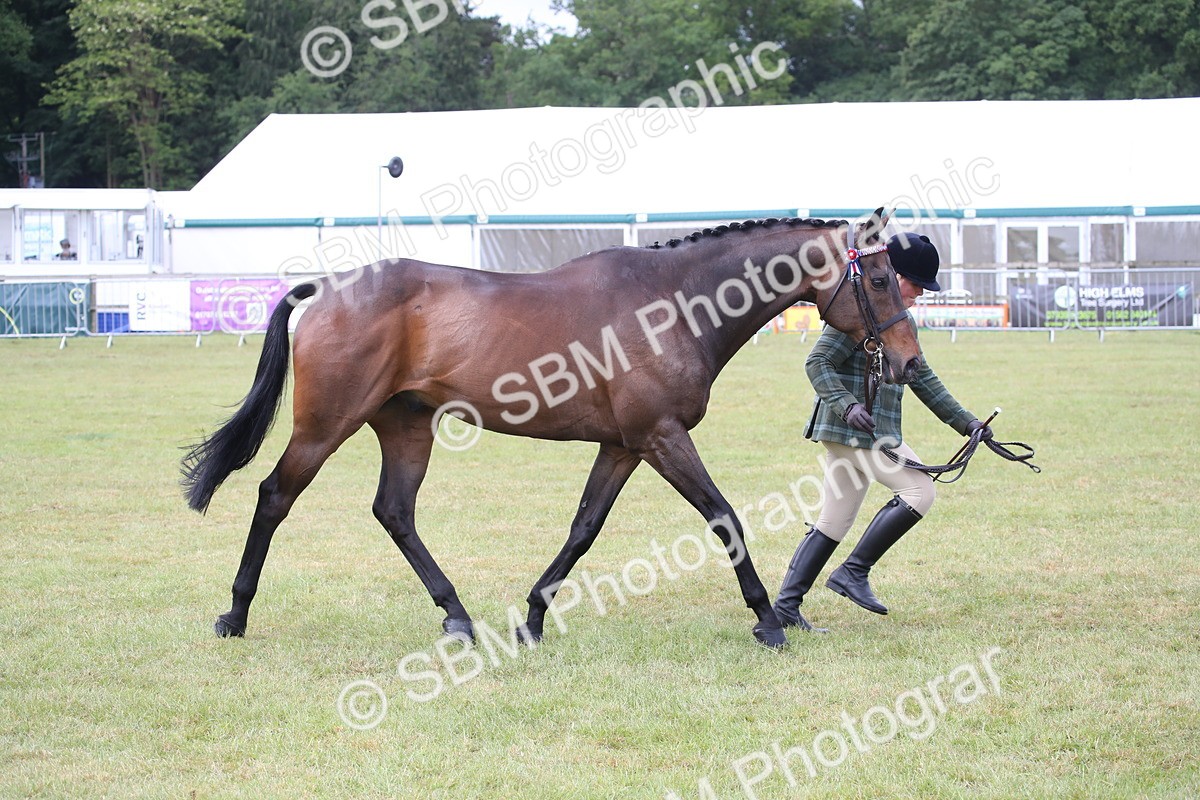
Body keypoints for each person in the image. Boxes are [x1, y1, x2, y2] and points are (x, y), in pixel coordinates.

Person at [773, 232, 992, 631]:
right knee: (919, 490)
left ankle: (786, 607)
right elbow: (817, 363)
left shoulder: (895, 320)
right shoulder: (860, 310)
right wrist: (848, 405)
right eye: (917, 285)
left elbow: (921, 377)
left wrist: (968, 422)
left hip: (861, 431)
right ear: (893, 274)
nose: (920, 294)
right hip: (856, 428)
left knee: (834, 520)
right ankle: (853, 572)